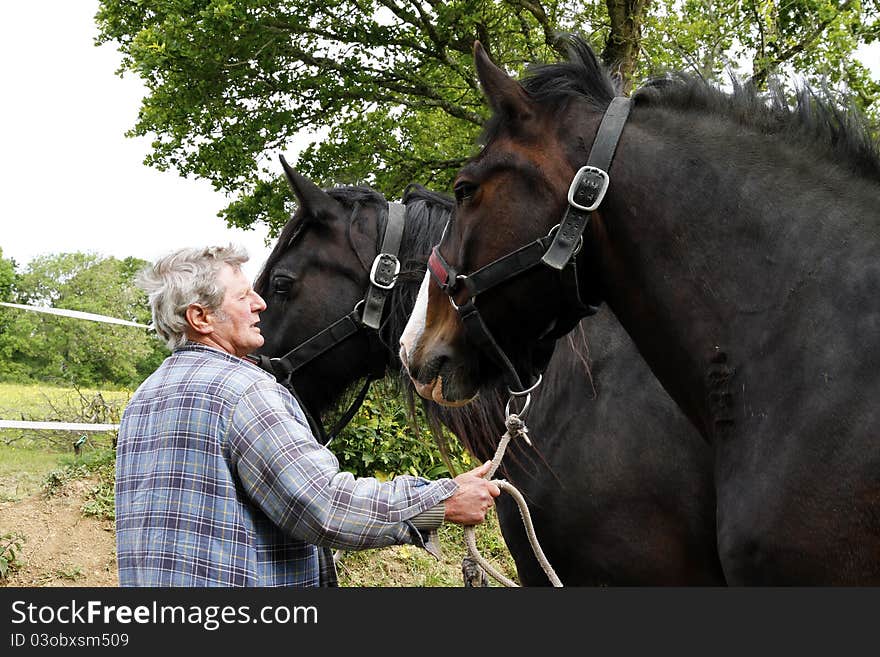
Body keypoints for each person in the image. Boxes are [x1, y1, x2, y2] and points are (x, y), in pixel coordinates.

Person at [115, 244, 500, 587]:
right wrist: (440, 502)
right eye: (243, 296)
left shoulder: (143, 399)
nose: (260, 304)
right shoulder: (245, 390)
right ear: (201, 318)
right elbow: (324, 506)